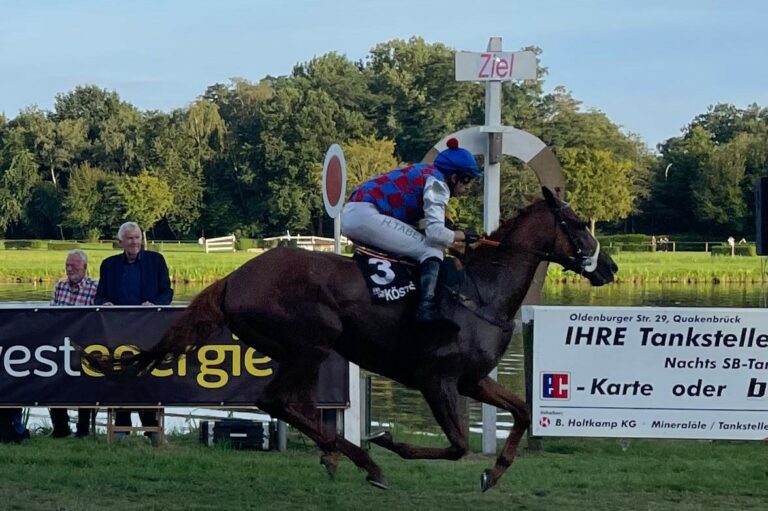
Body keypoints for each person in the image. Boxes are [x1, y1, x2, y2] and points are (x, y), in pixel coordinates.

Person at [341, 138, 481, 326]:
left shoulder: (425, 171)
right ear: (454, 177)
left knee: (419, 246)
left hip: (357, 213)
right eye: (467, 180)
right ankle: (426, 308)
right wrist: (463, 235)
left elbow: (426, 224)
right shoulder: (438, 184)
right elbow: (435, 234)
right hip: (365, 215)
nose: (467, 187)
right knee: (432, 250)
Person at [95, 222, 173, 442]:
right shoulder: (108, 265)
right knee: (120, 378)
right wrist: (106, 304)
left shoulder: (156, 261)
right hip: (118, 332)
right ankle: (121, 428)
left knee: (146, 378)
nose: (135, 242)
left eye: (137, 238)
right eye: (130, 238)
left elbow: (167, 292)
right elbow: (99, 296)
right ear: (121, 241)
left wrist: (155, 304)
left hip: (148, 330)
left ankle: (152, 429)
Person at [49, 249, 99, 438]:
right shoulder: (59, 287)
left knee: (85, 384)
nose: (69, 269)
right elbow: (51, 315)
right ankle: (60, 427)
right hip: (60, 344)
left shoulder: (96, 288)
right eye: (67, 265)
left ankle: (83, 428)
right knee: (52, 378)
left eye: (73, 265)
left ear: (84, 267)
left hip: (85, 346)